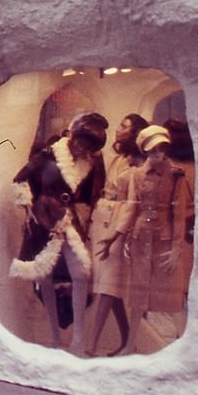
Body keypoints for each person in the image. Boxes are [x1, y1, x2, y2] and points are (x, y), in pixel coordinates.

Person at [10, 111, 108, 355]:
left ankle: (78, 340)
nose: (81, 149)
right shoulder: (48, 154)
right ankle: (54, 335)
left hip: (70, 219)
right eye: (80, 142)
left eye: (87, 146)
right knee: (44, 276)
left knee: (80, 273)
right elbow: (20, 179)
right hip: (44, 219)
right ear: (73, 137)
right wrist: (28, 206)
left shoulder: (90, 164)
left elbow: (91, 195)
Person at [96, 123, 190, 353]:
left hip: (165, 241)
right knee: (138, 296)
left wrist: (177, 247)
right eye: (154, 150)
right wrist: (116, 237)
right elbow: (131, 208)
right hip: (140, 239)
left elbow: (178, 214)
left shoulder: (176, 174)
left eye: (162, 149)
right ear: (145, 151)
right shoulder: (136, 175)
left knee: (171, 297)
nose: (160, 154)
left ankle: (186, 345)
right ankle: (129, 345)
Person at [87, 112, 148, 355]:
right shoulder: (117, 158)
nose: (117, 129)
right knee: (108, 284)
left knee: (108, 284)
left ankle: (91, 343)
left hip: (119, 221)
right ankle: (127, 341)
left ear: (134, 133)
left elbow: (134, 200)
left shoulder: (139, 162)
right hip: (103, 216)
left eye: (123, 126)